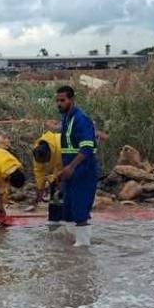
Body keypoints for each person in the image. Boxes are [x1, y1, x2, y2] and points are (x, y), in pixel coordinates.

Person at [55, 86, 100, 245]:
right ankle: (70, 243)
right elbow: (67, 150)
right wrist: (64, 172)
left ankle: (83, 247)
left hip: (84, 170)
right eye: (57, 101)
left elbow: (87, 147)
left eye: (62, 100)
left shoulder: (81, 119)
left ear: (71, 100)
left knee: (80, 210)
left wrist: (71, 167)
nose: (59, 104)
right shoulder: (66, 119)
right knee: (68, 209)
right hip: (71, 172)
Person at [31, 131, 62, 205]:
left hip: (75, 159)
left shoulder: (61, 147)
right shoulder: (38, 151)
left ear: (49, 153)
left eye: (45, 161)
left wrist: (58, 179)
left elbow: (62, 169)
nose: (45, 163)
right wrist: (40, 189)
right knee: (53, 181)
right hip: (58, 164)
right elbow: (39, 171)